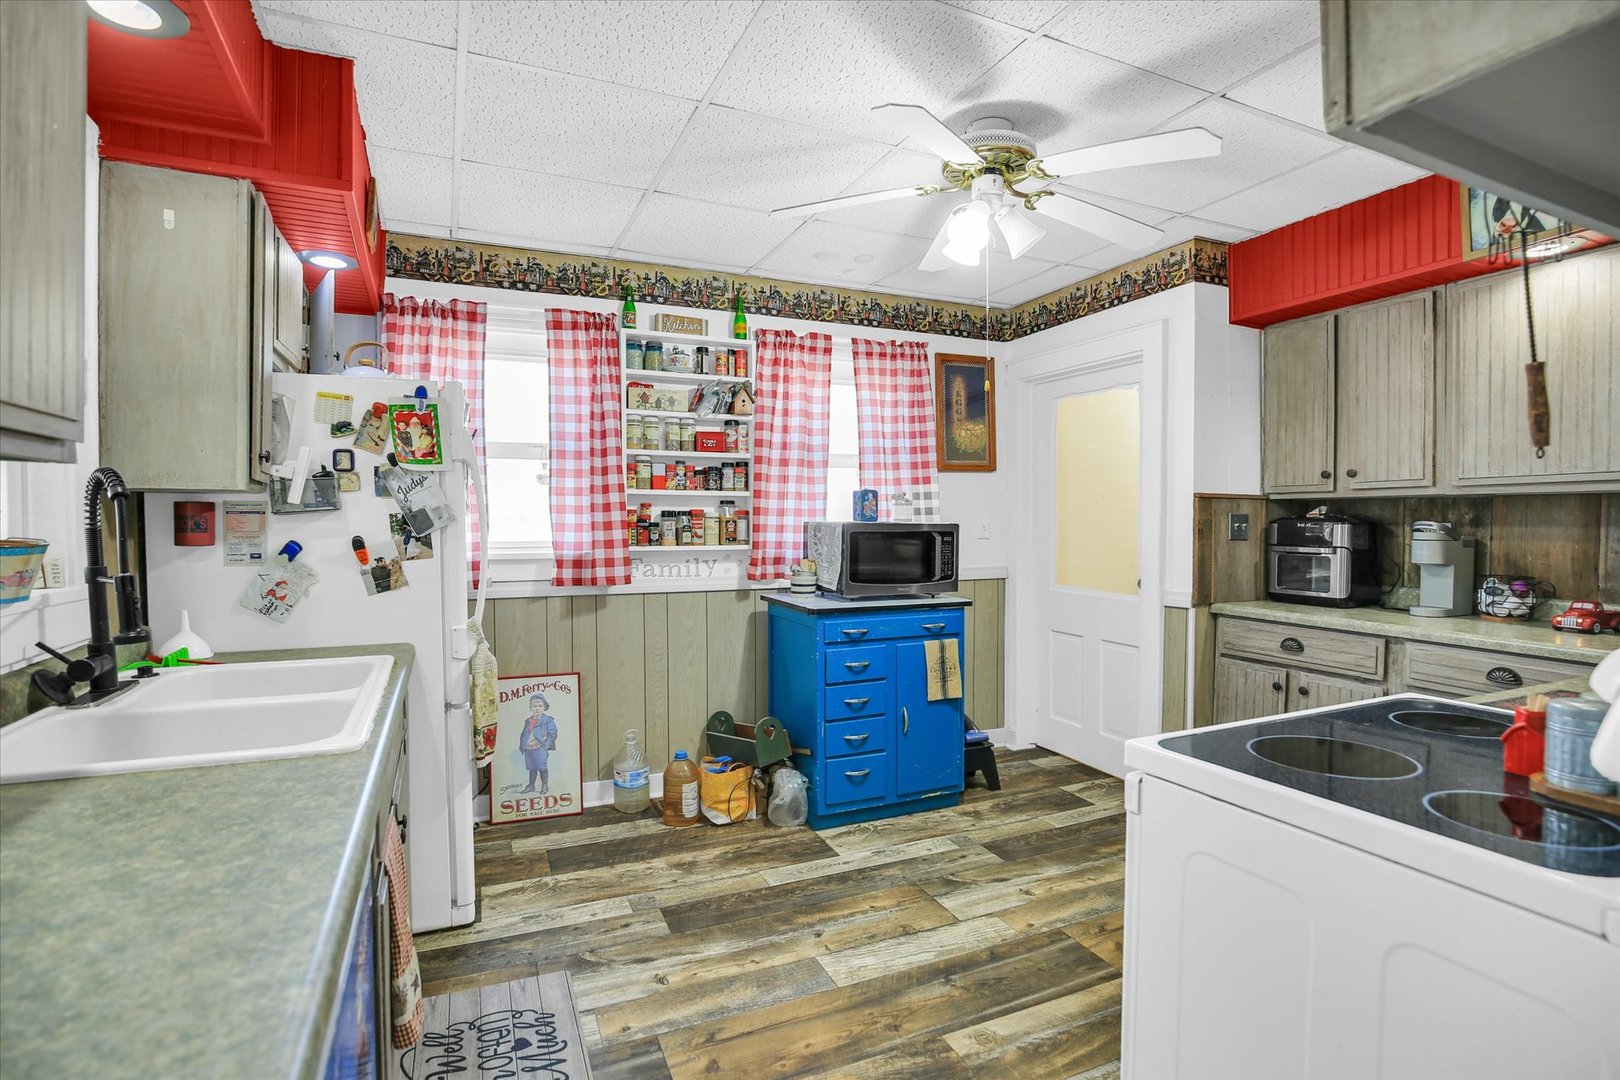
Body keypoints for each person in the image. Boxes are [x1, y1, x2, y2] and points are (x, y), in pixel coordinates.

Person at [519, 693, 559, 795]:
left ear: (544, 707)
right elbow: (524, 733)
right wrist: (522, 745)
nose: (537, 708)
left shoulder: (548, 720)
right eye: (534, 706)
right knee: (532, 768)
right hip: (529, 748)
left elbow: (553, 734)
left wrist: (546, 746)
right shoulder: (528, 721)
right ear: (530, 708)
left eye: (540, 706)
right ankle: (531, 786)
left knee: (542, 767)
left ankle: (544, 785)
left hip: (540, 748)